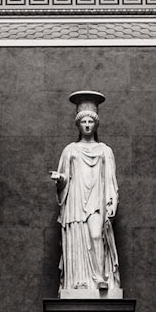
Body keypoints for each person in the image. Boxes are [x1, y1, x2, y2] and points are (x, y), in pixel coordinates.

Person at [51, 90, 121, 298]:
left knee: (96, 235)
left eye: (91, 121)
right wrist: (60, 179)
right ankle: (78, 281)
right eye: (84, 122)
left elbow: (111, 179)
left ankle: (100, 277)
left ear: (96, 124)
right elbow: (65, 176)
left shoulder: (104, 150)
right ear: (78, 125)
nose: (88, 125)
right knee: (77, 238)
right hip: (75, 199)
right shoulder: (70, 150)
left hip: (96, 199)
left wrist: (112, 201)